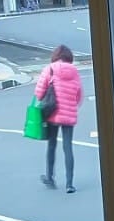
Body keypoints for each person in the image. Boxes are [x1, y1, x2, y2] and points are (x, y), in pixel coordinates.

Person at [36, 44, 84, 193]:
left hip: (52, 112)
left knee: (52, 146)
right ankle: (70, 184)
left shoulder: (49, 69)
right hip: (69, 114)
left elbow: (39, 92)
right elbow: (79, 95)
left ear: (56, 56)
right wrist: (69, 105)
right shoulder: (74, 71)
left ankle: (50, 177)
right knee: (68, 147)